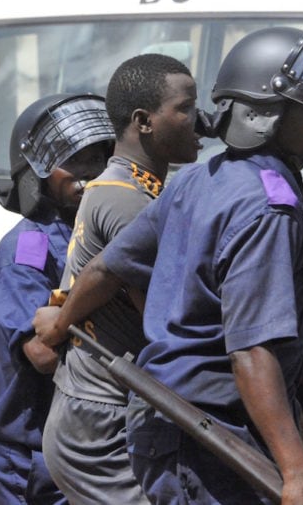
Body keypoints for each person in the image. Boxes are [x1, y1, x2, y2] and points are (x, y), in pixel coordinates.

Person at [36, 26, 303, 504]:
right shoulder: (267, 210)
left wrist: (60, 322)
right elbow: (250, 353)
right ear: (264, 116)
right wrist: (298, 473)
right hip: (202, 437)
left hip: (168, 430)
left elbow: (103, 270)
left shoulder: (196, 181)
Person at [34, 53, 201, 505]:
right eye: (185, 108)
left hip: (103, 411)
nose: (198, 120)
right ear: (144, 121)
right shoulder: (127, 199)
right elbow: (168, 321)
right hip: (100, 424)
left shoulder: (135, 189)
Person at [0, 93, 114, 505]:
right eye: (75, 161)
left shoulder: (94, 234)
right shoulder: (29, 249)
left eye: (98, 157)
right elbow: (40, 352)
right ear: (37, 174)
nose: (89, 173)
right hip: (30, 461)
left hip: (83, 447)